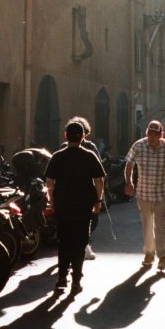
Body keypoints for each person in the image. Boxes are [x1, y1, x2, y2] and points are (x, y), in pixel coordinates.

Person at [45, 120, 105, 293]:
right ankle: (76, 280)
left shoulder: (57, 156)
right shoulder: (89, 155)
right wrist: (98, 201)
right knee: (79, 242)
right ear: (84, 136)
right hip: (83, 204)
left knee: (64, 241)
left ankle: (62, 277)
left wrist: (52, 200)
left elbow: (49, 181)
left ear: (65, 135)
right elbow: (99, 180)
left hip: (63, 204)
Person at [124, 119, 165, 271]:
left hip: (162, 193)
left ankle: (163, 256)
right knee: (147, 224)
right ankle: (149, 253)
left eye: (155, 135)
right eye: (149, 134)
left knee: (160, 224)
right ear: (146, 133)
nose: (152, 138)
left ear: (161, 134)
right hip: (144, 193)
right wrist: (129, 182)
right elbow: (129, 163)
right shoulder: (139, 145)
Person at [66, 115, 101, 259]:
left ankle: (72, 249)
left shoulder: (63, 148)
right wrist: (98, 196)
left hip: (68, 190)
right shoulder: (91, 148)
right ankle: (83, 248)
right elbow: (99, 173)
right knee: (86, 220)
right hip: (85, 190)